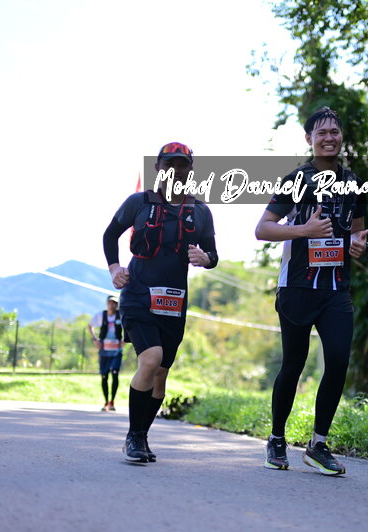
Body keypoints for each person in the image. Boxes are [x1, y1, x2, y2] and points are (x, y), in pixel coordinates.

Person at [255, 107, 368, 475]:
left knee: (338, 360)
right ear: (309, 139)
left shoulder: (354, 183)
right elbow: (263, 228)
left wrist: (358, 243)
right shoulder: (296, 180)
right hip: (298, 287)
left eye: (334, 131)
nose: (329, 138)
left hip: (336, 288)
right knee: (294, 364)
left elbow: (358, 230)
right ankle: (276, 438)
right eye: (321, 133)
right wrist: (304, 230)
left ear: (341, 136)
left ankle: (318, 444)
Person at [102, 141, 218, 463]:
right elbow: (110, 235)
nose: (176, 170)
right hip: (138, 294)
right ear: (158, 168)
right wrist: (115, 269)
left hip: (174, 302)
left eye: (183, 165)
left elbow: (213, 254)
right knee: (151, 359)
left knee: (160, 375)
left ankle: (141, 435)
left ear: (190, 170)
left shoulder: (200, 211)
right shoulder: (139, 203)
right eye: (169, 164)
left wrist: (206, 258)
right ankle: (133, 436)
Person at [87, 295, 125, 412]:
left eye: (114, 303)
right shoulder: (101, 316)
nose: (112, 305)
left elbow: (129, 327)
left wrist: (125, 340)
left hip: (116, 351)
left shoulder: (121, 315)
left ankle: (112, 401)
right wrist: (95, 339)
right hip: (104, 351)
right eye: (110, 303)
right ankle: (106, 401)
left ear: (117, 305)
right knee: (104, 376)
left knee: (115, 373)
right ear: (107, 304)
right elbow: (90, 326)